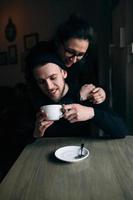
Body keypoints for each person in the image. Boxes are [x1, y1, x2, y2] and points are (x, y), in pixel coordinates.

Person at [25, 52, 127, 139]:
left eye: (53, 78)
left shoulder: (85, 92)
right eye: (41, 82)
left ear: (64, 73)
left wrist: (92, 113)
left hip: (82, 153)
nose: (49, 87)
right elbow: (19, 141)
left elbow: (121, 131)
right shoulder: (35, 100)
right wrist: (36, 134)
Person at [25, 14, 106, 104]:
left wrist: (100, 93)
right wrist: (78, 97)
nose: (74, 60)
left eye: (80, 54)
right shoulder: (40, 55)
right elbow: (35, 96)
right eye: (70, 52)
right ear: (59, 42)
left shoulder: (84, 61)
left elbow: (91, 84)